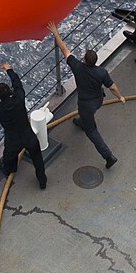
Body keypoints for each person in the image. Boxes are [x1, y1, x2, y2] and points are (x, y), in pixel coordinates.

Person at [47, 21, 125, 169]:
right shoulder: (101, 72)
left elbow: (64, 48)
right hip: (98, 100)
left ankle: (108, 156)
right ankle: (83, 122)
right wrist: (120, 97)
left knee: (92, 131)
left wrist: (55, 32)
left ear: (84, 59)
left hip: (86, 104)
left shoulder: (77, 67)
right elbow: (112, 87)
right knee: (87, 118)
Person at [0, 63, 47, 189]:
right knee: (38, 159)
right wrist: (9, 69)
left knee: (8, 159)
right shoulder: (19, 99)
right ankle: (42, 181)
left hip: (13, 140)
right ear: (11, 92)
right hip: (29, 136)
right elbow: (17, 83)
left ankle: (10, 171)